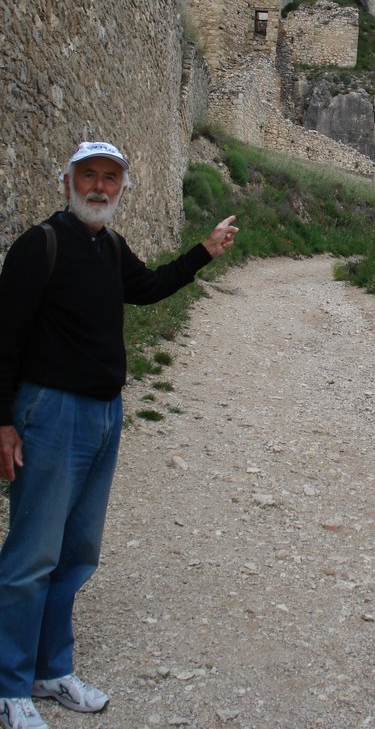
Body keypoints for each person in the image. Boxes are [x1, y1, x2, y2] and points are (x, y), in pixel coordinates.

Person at [0, 141, 238, 729]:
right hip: (51, 415)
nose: (99, 187)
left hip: (106, 416)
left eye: (110, 178)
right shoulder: (40, 245)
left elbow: (150, 287)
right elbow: (2, 338)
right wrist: (3, 421)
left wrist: (203, 253)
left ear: (121, 188)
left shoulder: (109, 247)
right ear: (68, 182)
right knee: (32, 556)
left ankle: (51, 670)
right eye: (89, 176)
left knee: (76, 553)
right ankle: (9, 687)